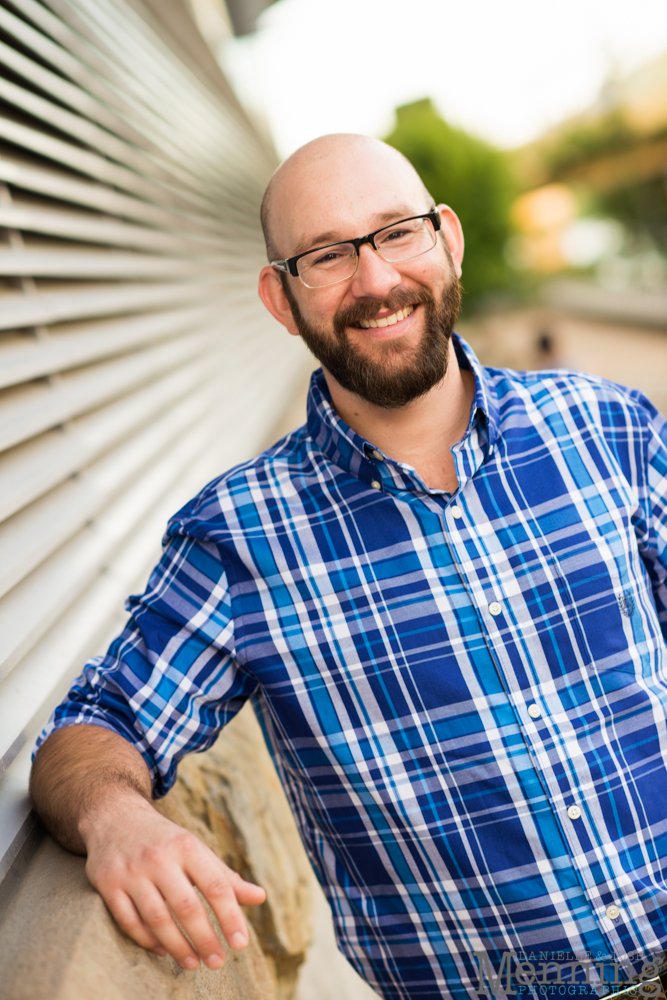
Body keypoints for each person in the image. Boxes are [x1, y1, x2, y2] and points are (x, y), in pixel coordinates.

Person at [30, 134, 667, 1000]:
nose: (373, 281)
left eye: (396, 233)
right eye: (325, 255)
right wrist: (116, 820)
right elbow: (88, 733)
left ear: (446, 237)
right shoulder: (238, 538)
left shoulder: (609, 429)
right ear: (279, 299)